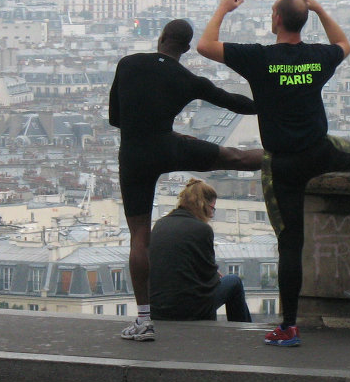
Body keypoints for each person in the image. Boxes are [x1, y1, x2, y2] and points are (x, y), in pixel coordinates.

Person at [196, 0, 350, 347]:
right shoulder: (317, 57)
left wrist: (222, 7)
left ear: (277, 19)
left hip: (282, 163)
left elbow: (205, 45)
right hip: (318, 149)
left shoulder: (260, 58)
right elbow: (344, 43)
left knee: (290, 245)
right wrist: (320, 9)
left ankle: (289, 326)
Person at [109, 18, 263, 341]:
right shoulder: (187, 79)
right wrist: (270, 106)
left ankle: (144, 321)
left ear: (162, 36)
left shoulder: (127, 65)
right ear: (187, 48)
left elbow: (115, 118)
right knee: (231, 156)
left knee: (139, 237)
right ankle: (282, 158)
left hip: (134, 155)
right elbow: (230, 101)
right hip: (168, 146)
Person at [149, 178, 252, 323]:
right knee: (234, 282)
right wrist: (215, 275)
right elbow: (208, 276)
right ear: (203, 205)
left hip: (158, 309)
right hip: (190, 310)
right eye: (212, 208)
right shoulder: (202, 229)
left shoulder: (160, 225)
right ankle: (243, 331)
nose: (211, 214)